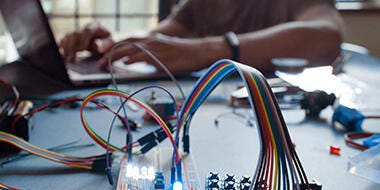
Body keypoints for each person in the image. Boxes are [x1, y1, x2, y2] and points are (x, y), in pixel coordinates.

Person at [59, 0, 344, 75]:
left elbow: (327, 37)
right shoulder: (200, 3)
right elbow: (160, 39)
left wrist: (211, 50)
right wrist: (113, 44)